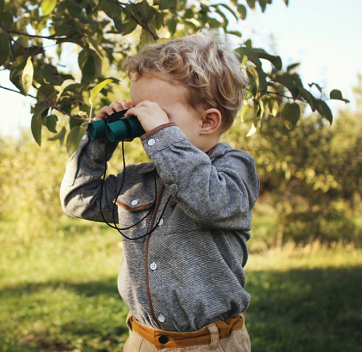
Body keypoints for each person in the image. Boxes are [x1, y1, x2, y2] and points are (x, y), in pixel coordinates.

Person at [60, 29, 259, 352]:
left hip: (210, 345)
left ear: (208, 121)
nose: (142, 125)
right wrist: (100, 142)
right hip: (142, 340)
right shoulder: (140, 179)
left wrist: (162, 135)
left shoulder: (234, 168)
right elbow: (77, 200)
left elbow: (209, 202)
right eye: (138, 112)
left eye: (155, 115)